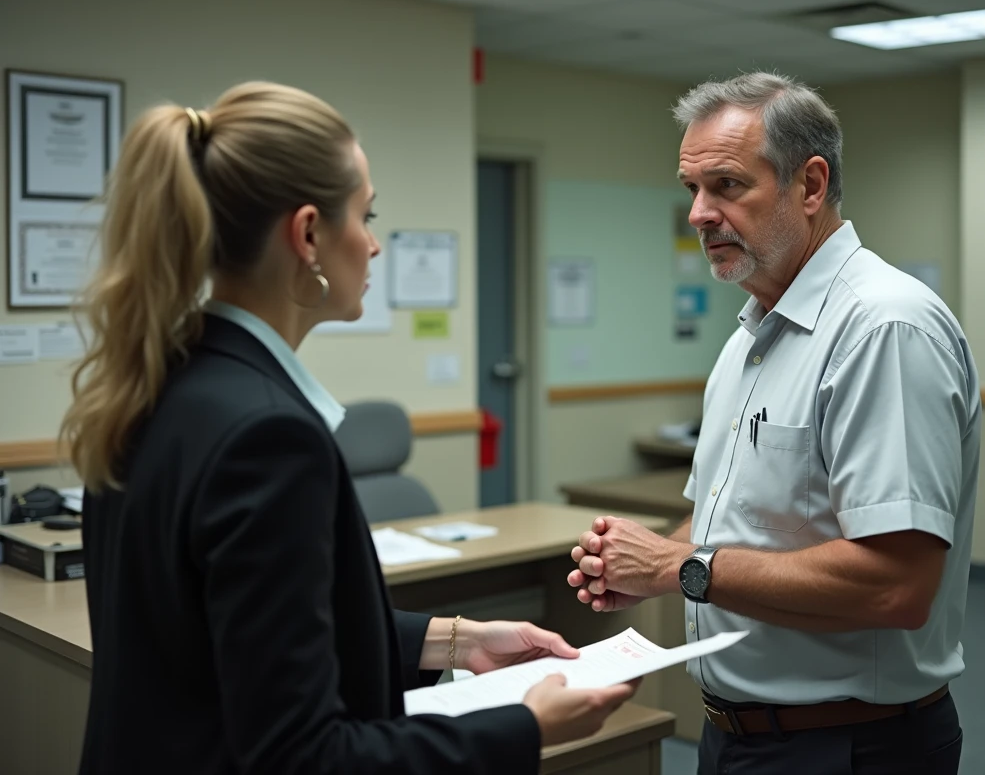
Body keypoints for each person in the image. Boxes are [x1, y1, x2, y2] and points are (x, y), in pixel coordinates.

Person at [62, 81, 637, 775]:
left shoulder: (156, 384)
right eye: (366, 216)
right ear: (307, 235)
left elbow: (239, 638)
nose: (373, 245)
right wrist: (523, 727)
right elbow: (303, 759)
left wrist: (458, 641)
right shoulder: (267, 438)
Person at [567, 72, 980, 774]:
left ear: (810, 186)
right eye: (691, 189)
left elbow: (896, 585)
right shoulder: (749, 339)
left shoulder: (883, 328)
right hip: (737, 733)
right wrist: (644, 564)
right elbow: (720, 531)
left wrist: (682, 568)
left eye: (726, 186)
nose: (698, 213)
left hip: (849, 744)